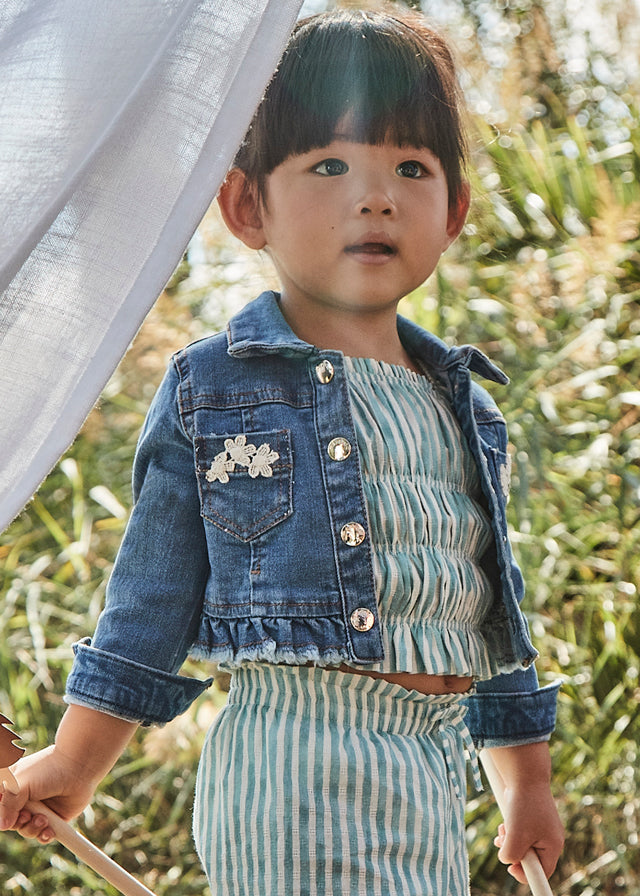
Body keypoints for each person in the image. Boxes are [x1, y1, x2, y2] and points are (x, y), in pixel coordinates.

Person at [0, 8, 564, 894]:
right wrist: (74, 761)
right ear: (246, 206)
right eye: (330, 166)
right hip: (298, 766)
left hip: (429, 769)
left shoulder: (463, 404)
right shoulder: (217, 387)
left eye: (410, 168)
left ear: (454, 209)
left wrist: (525, 779)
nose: (374, 197)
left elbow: (489, 608)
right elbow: (152, 594)